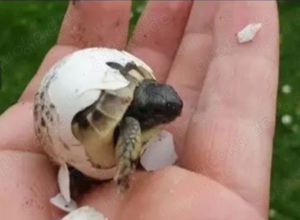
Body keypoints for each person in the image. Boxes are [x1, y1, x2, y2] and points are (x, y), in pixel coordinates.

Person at [0, 1, 279, 219]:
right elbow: (129, 125)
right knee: (130, 126)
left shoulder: (139, 92)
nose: (171, 113)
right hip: (70, 119)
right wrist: (124, 165)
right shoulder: (130, 121)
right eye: (162, 110)